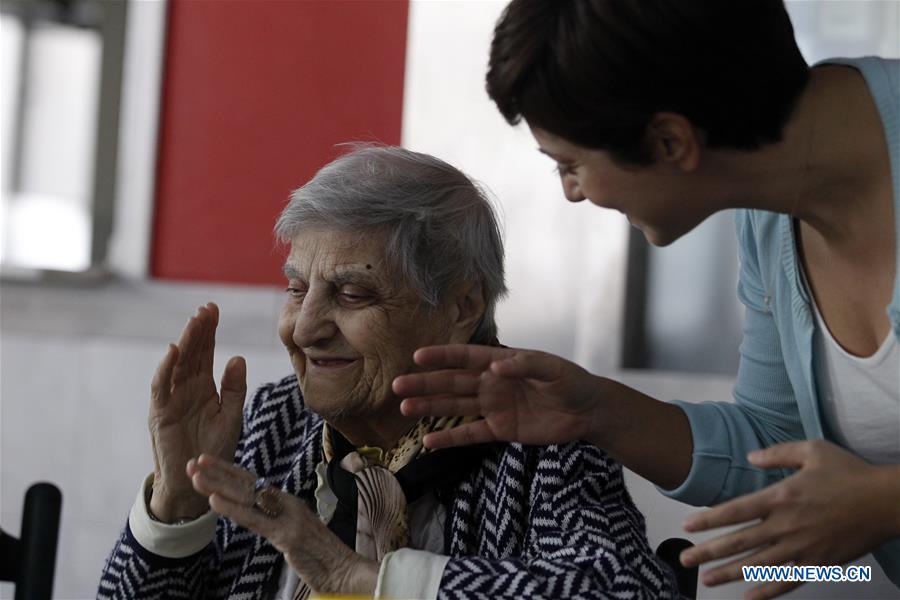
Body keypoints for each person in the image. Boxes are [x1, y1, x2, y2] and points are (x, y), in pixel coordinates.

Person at [393, 2, 900, 598]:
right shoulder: (771, 219)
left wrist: (882, 504)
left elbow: (861, 507)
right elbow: (781, 449)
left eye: (571, 165)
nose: (573, 194)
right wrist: (598, 412)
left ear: (668, 140)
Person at [97, 145, 678, 599]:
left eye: (352, 294)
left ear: (460, 308)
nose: (304, 329)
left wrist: (362, 578)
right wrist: (177, 503)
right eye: (297, 290)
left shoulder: (543, 441)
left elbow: (625, 590)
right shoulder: (269, 421)